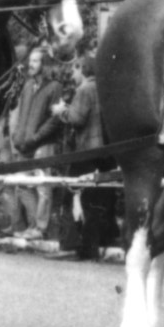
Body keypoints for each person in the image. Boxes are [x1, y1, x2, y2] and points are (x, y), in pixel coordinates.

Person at [52, 53, 117, 260]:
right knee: (101, 199)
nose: (72, 73)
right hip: (105, 151)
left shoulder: (84, 89)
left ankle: (75, 245)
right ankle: (97, 242)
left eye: (75, 69)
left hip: (87, 150)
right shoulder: (105, 87)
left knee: (74, 195)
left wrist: (61, 111)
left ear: (83, 69)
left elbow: (77, 119)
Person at [8, 46, 62, 240]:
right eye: (30, 61)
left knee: (42, 188)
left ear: (44, 64)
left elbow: (54, 120)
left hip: (43, 145)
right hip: (24, 144)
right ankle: (33, 224)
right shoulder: (28, 85)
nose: (31, 64)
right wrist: (17, 136)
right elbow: (20, 112)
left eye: (36, 61)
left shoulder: (54, 87)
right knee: (21, 185)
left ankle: (40, 228)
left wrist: (36, 137)